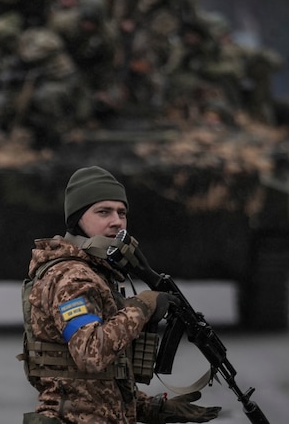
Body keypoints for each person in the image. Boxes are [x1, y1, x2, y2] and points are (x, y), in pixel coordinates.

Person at [20, 166, 221, 423]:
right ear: (77, 220)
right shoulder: (71, 277)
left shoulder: (96, 273)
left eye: (122, 212)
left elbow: (97, 389)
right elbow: (91, 354)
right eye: (103, 212)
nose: (117, 221)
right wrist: (141, 307)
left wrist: (153, 408)